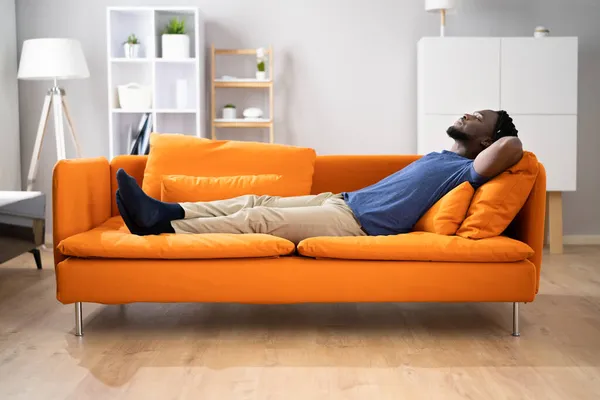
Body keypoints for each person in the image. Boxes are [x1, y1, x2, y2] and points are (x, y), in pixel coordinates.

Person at [116, 109, 522, 243]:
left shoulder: (467, 170)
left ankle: (161, 227)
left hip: (358, 224)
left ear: (486, 138)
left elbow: (512, 149)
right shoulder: (438, 156)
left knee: (258, 221)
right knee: (255, 201)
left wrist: (501, 135)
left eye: (477, 116)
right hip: (340, 201)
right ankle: (164, 209)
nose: (466, 114)